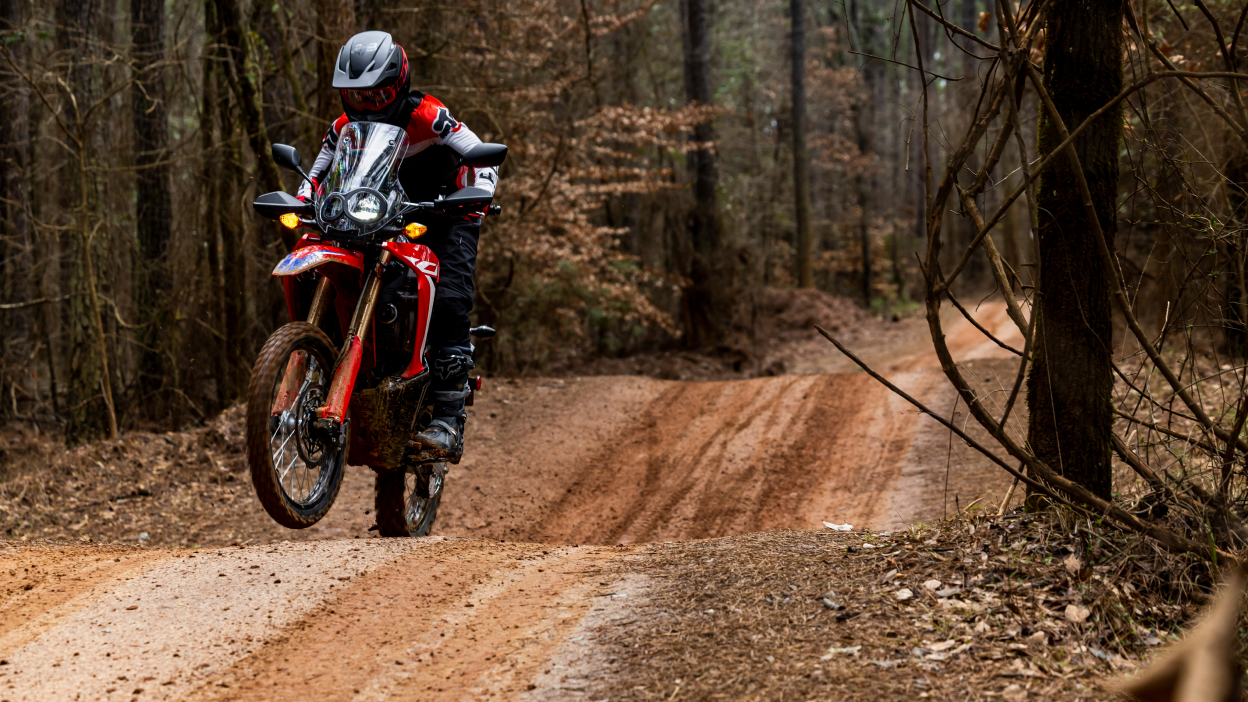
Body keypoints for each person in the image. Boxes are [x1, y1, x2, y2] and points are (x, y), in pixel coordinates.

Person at [297, 31, 496, 461]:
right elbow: (314, 177)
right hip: (377, 214)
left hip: (445, 211)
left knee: (448, 298)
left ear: (399, 84)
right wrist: (297, 203)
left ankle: (447, 417)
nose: (368, 104)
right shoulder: (342, 129)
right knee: (320, 261)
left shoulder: (429, 115)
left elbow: (476, 151)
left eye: (378, 94)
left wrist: (480, 191)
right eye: (357, 96)